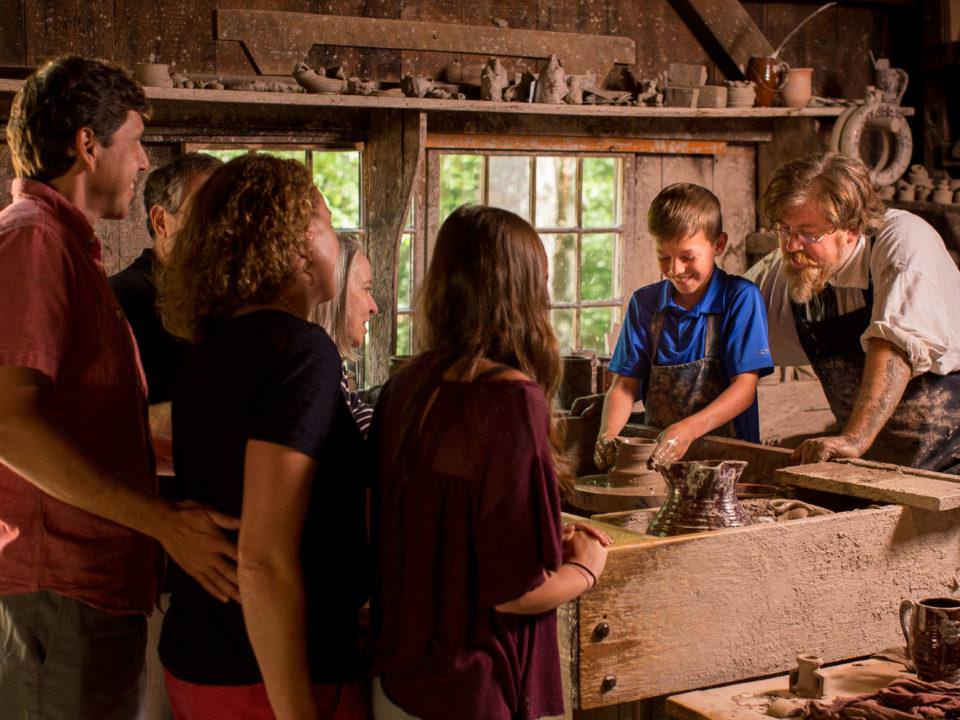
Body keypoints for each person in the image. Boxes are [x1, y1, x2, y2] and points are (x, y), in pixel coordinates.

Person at [0, 56, 239, 720]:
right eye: (133, 141)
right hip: (60, 591)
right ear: (86, 144)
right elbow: (8, 427)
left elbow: (80, 425)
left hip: (90, 591)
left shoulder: (68, 248)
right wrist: (161, 520)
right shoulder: (33, 240)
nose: (141, 163)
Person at [369, 204, 611, 720]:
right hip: (470, 689)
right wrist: (585, 567)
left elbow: (448, 523)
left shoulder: (408, 383)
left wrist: (544, 528)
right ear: (523, 292)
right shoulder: (511, 400)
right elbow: (516, 593)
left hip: (398, 682)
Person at [157, 154, 368, 720]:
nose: (336, 234)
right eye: (327, 218)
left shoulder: (211, 350)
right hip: (271, 673)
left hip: (207, 654)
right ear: (298, 241)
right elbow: (265, 558)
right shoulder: (299, 352)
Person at [746, 152, 960, 471]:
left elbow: (894, 347)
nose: (791, 246)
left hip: (950, 464)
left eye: (809, 233)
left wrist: (853, 440)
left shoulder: (903, 243)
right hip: (870, 467)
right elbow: (723, 322)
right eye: (783, 229)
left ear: (851, 228)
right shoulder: (795, 265)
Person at [594, 183, 774, 469]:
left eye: (687, 257)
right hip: (660, 459)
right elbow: (626, 385)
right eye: (663, 256)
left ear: (718, 244)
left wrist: (688, 430)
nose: (675, 269)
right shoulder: (645, 303)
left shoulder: (740, 297)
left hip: (727, 462)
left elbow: (744, 389)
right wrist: (609, 435)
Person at [110, 152, 223, 478]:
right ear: (161, 221)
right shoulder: (117, 301)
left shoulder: (226, 301)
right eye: (209, 214)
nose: (224, 228)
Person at [316, 232, 379, 437]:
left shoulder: (334, 371)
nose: (374, 307)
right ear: (338, 294)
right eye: (366, 289)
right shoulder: (318, 374)